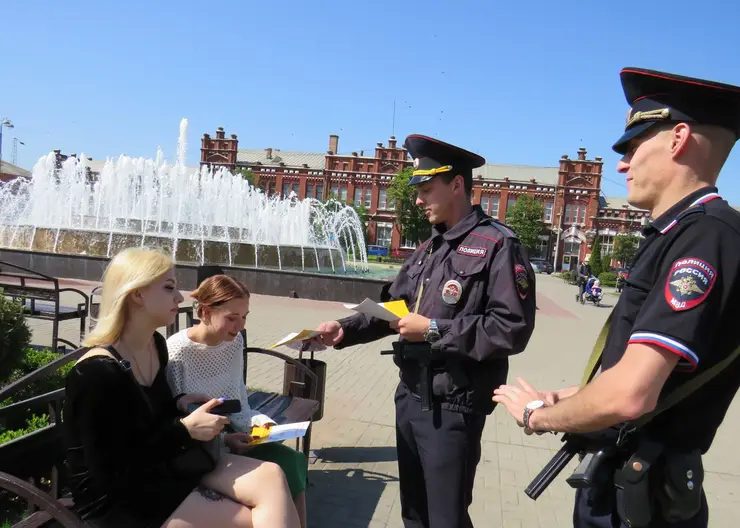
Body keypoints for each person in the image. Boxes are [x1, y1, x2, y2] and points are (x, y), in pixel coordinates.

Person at [492, 66, 740, 527]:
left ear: (678, 137)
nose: (623, 164)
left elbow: (632, 395)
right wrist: (565, 398)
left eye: (631, 147)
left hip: (647, 497)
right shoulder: (681, 233)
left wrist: (538, 418)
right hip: (627, 480)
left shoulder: (705, 238)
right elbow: (645, 374)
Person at [314, 134, 537, 528]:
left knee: (446, 518)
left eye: (426, 189)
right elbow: (395, 310)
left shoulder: (498, 245)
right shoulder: (429, 248)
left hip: (452, 406)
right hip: (410, 398)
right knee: (413, 513)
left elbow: (510, 329)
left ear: (457, 184)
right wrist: (343, 330)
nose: (418, 200)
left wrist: (434, 329)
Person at [64, 247, 301, 528]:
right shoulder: (95, 373)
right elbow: (113, 472)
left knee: (273, 474)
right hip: (122, 501)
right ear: (137, 294)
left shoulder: (155, 346)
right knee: (251, 520)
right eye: (168, 287)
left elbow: (155, 421)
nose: (179, 297)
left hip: (164, 467)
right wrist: (185, 430)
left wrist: (180, 404)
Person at [166, 273, 309, 527]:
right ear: (206, 312)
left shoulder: (234, 342)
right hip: (201, 446)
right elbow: (179, 421)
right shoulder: (177, 351)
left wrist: (258, 425)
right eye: (232, 318)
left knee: (292, 460)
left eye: (244, 317)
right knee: (275, 471)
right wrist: (226, 439)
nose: (240, 325)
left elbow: (239, 398)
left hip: (233, 434)